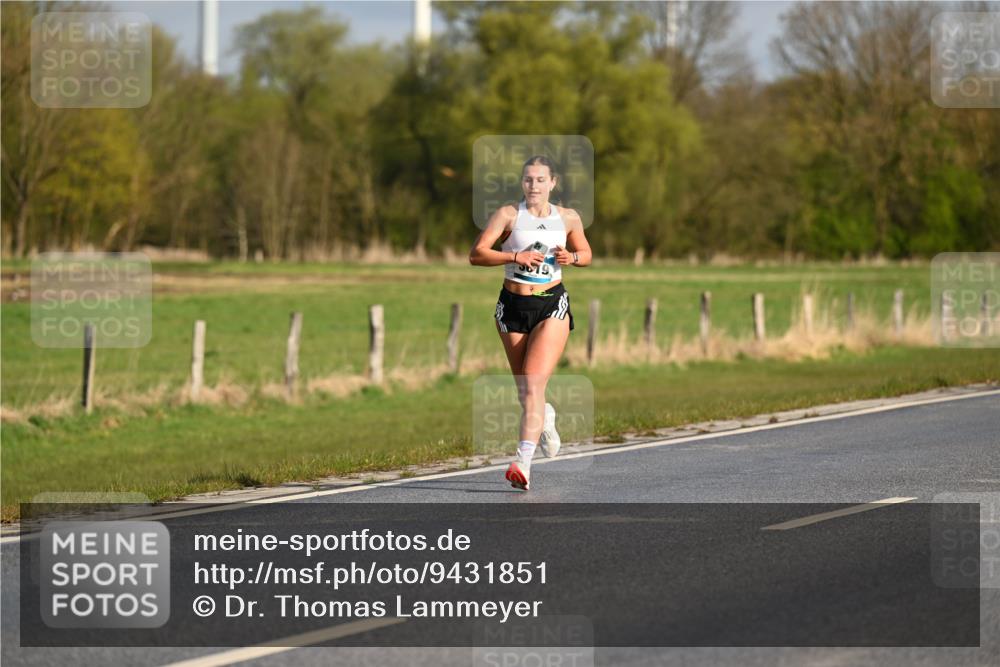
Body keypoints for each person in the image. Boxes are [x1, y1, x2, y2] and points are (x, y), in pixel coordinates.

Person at [469, 155, 592, 490]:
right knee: (527, 390)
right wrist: (514, 256)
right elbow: (477, 253)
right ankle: (545, 417)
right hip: (511, 306)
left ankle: (522, 461)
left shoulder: (567, 218)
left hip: (551, 304)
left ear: (552, 183)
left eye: (540, 180)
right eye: (528, 179)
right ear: (522, 183)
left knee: (534, 384)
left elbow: (586, 254)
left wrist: (573, 258)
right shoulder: (509, 215)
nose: (533, 185)